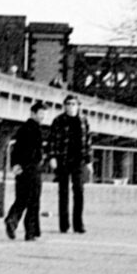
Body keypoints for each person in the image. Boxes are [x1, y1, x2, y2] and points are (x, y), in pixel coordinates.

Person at [6, 100, 47, 241]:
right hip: (32, 168)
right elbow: (35, 152)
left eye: (44, 114)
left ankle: (12, 219)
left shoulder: (22, 129)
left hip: (21, 169)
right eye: (40, 113)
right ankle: (30, 232)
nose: (43, 116)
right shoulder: (36, 130)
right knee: (33, 201)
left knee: (22, 198)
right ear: (33, 113)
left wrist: (15, 165)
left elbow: (16, 149)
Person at [50, 94, 87, 232]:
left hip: (78, 160)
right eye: (68, 104)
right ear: (64, 106)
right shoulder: (58, 121)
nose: (71, 107)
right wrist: (52, 157)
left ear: (78, 106)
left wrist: (89, 161)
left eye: (73, 104)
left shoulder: (83, 120)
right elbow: (52, 140)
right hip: (63, 159)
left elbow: (87, 141)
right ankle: (64, 224)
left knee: (79, 191)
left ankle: (78, 224)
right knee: (63, 192)